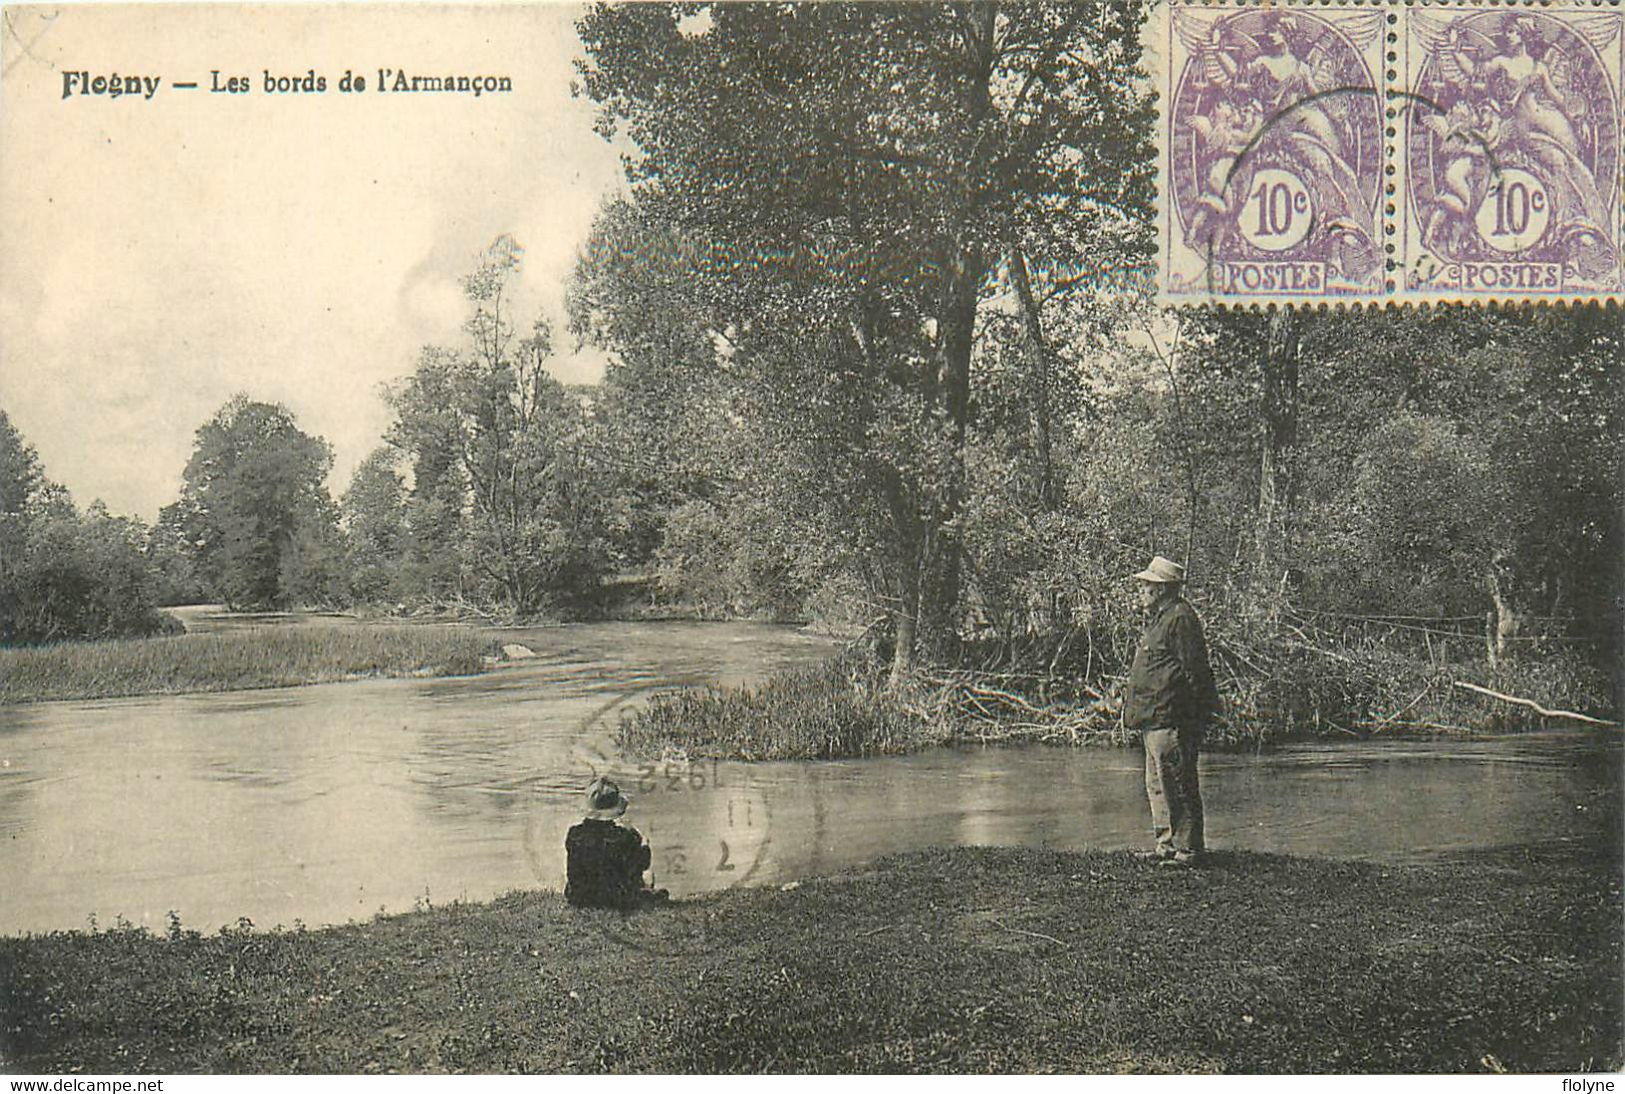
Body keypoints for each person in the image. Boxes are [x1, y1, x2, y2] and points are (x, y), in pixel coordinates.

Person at [1124, 556, 1220, 868]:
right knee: (1157, 784)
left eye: (1147, 585)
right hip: (1154, 718)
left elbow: (1196, 672)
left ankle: (1188, 850)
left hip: (1171, 719)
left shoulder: (1180, 618)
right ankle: (1166, 845)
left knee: (1178, 784)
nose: (1142, 589)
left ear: (1162, 589)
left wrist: (1192, 718)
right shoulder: (1161, 617)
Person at [564, 777, 668, 909]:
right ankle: (646, 893)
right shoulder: (625, 837)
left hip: (579, 898)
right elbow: (643, 864)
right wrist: (643, 843)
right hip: (616, 899)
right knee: (648, 875)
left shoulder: (574, 834)